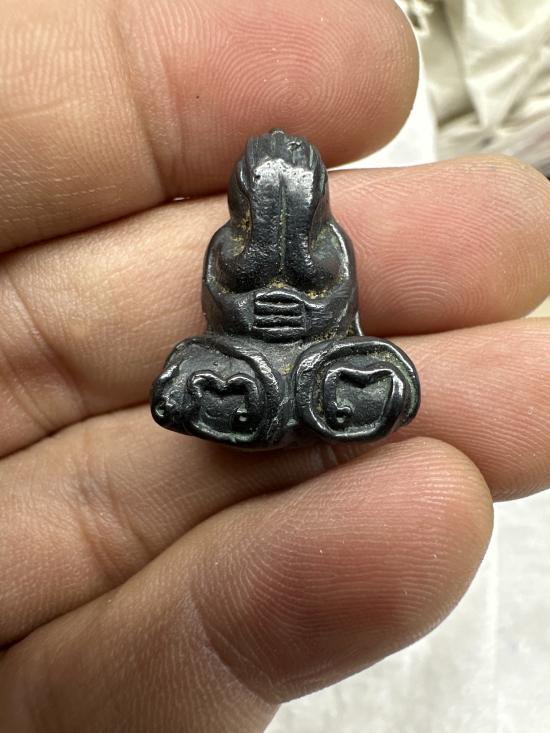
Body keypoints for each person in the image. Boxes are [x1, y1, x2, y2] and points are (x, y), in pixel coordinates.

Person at [0, 1, 548, 731]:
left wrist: (307, 313)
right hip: (245, 353)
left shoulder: (332, 246)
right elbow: (222, 300)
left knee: (375, 365)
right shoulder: (227, 246)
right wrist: (254, 310)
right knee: (190, 368)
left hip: (317, 354)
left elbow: (337, 301)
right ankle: (255, 402)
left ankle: (297, 402)